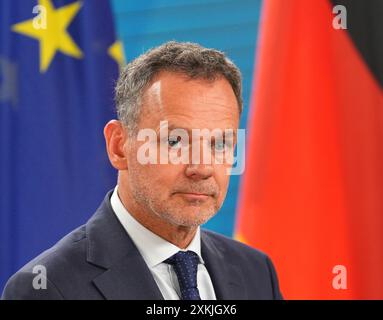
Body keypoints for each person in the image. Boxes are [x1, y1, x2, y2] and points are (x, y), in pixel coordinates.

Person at [2, 41, 282, 300]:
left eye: (220, 143)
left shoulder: (256, 272)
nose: (202, 167)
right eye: (175, 141)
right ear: (119, 146)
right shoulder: (46, 288)